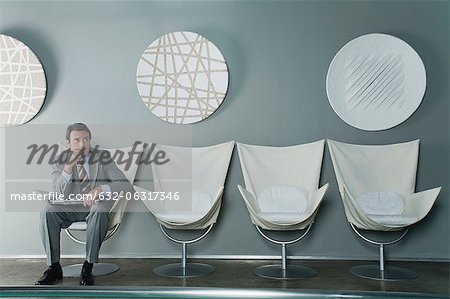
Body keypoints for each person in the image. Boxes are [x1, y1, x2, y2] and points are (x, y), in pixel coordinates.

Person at [35, 123, 134, 286]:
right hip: (70, 208)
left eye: (86, 139)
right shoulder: (58, 161)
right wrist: (68, 167)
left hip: (96, 207)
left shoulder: (103, 157)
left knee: (100, 209)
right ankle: (53, 268)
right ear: (68, 143)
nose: (82, 144)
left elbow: (125, 184)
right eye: (77, 140)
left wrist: (101, 189)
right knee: (48, 211)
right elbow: (59, 193)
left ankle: (88, 266)